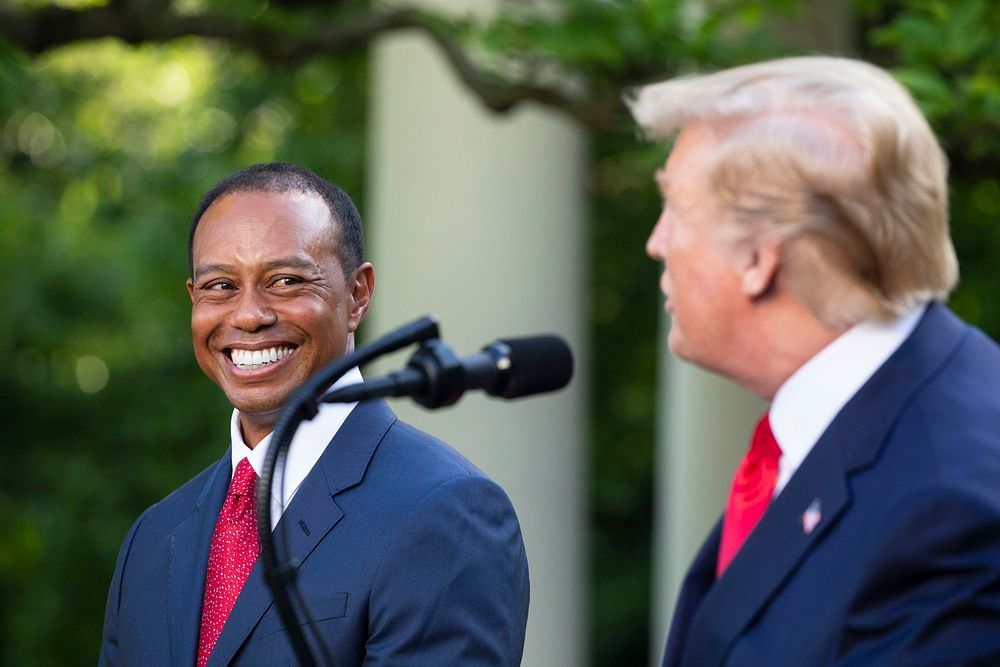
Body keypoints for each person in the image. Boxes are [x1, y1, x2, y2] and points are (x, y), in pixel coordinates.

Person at [629, 56, 1000, 665]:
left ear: (758, 258)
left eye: (676, 208)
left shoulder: (948, 508)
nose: (657, 241)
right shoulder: (863, 421)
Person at [99, 163, 530, 666]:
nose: (248, 315)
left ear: (357, 295)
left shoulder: (445, 512)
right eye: (220, 286)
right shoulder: (153, 539)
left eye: (285, 280)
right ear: (193, 300)